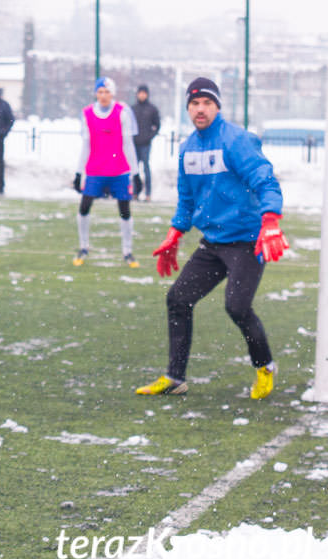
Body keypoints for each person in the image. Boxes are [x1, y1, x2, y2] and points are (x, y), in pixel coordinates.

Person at [136, 77, 288, 399]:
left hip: (247, 242)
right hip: (213, 245)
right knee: (177, 299)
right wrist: (175, 231)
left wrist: (271, 217)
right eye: (194, 103)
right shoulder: (188, 149)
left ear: (217, 106)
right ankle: (175, 378)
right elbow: (187, 199)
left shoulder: (237, 140)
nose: (200, 109)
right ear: (188, 108)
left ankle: (265, 367)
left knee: (236, 306)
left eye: (207, 103)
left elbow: (265, 180)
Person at [72, 77, 139, 268]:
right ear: (95, 93)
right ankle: (83, 246)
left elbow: (128, 144)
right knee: (84, 207)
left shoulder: (122, 112)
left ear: (113, 93)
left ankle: (127, 251)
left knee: (124, 210)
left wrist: (135, 173)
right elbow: (85, 145)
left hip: (119, 170)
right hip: (95, 170)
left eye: (107, 92)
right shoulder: (87, 114)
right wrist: (78, 173)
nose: (103, 96)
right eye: (100, 92)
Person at [132, 84, 160, 201]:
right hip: (134, 144)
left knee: (146, 168)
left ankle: (148, 194)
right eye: (140, 93)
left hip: (146, 144)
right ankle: (135, 192)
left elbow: (157, 126)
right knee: (135, 169)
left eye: (144, 93)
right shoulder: (133, 109)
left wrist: (149, 137)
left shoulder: (152, 109)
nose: (142, 95)